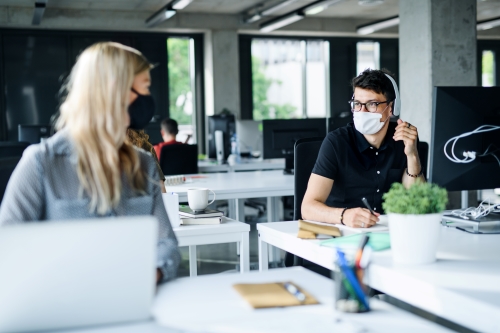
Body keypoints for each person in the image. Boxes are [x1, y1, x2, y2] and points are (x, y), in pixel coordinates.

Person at [0, 42, 180, 283]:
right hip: (63, 305)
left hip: (133, 302)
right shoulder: (41, 163)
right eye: (144, 87)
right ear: (115, 89)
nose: (148, 98)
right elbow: (8, 249)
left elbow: (167, 244)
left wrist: (148, 277)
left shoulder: (144, 164)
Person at [302, 68, 425, 228]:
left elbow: (418, 201)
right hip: (343, 231)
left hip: (390, 232)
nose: (362, 111)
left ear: (392, 107)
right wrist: (344, 215)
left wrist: (412, 155)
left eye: (372, 104)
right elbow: (308, 208)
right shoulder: (336, 142)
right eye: (357, 104)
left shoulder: (402, 138)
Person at [126, 54, 166, 193]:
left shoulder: (144, 149)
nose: (147, 95)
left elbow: (162, 196)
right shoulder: (59, 155)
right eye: (145, 87)